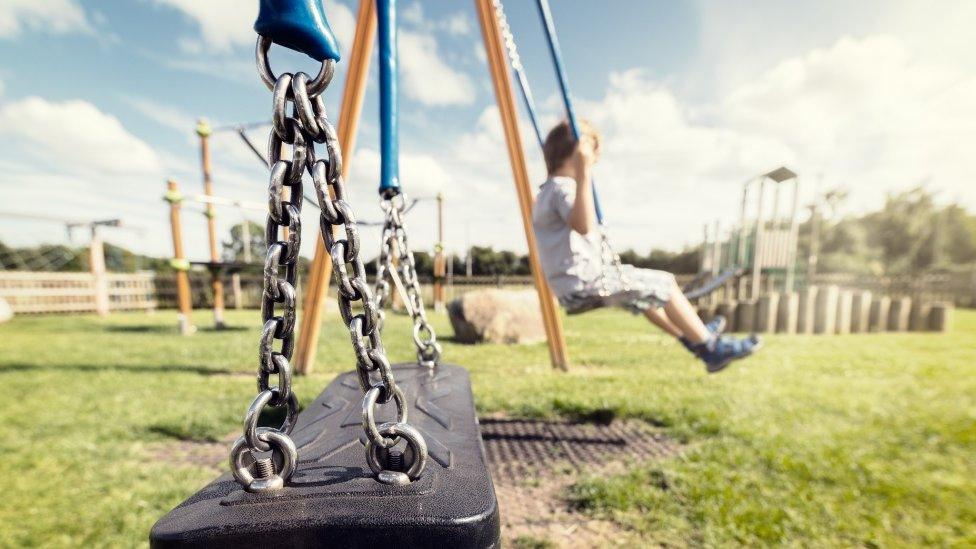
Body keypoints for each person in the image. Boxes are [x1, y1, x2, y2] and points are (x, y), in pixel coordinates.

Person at [532, 120, 761, 373]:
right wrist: (583, 172)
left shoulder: (544, 193)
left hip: (571, 287)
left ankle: (691, 338)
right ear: (577, 154)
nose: (594, 163)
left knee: (647, 300)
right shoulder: (564, 189)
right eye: (593, 157)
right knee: (666, 284)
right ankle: (710, 347)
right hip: (586, 283)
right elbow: (583, 225)